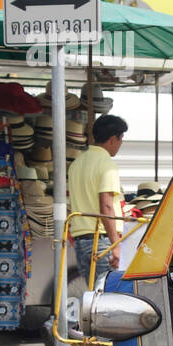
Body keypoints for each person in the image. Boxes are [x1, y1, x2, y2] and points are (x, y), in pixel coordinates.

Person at [67, 114, 128, 281]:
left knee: (94, 296)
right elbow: (106, 206)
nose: (121, 143)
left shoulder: (77, 163)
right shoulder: (107, 164)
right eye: (121, 138)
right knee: (107, 296)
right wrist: (115, 245)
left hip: (81, 241)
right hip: (100, 240)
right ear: (113, 139)